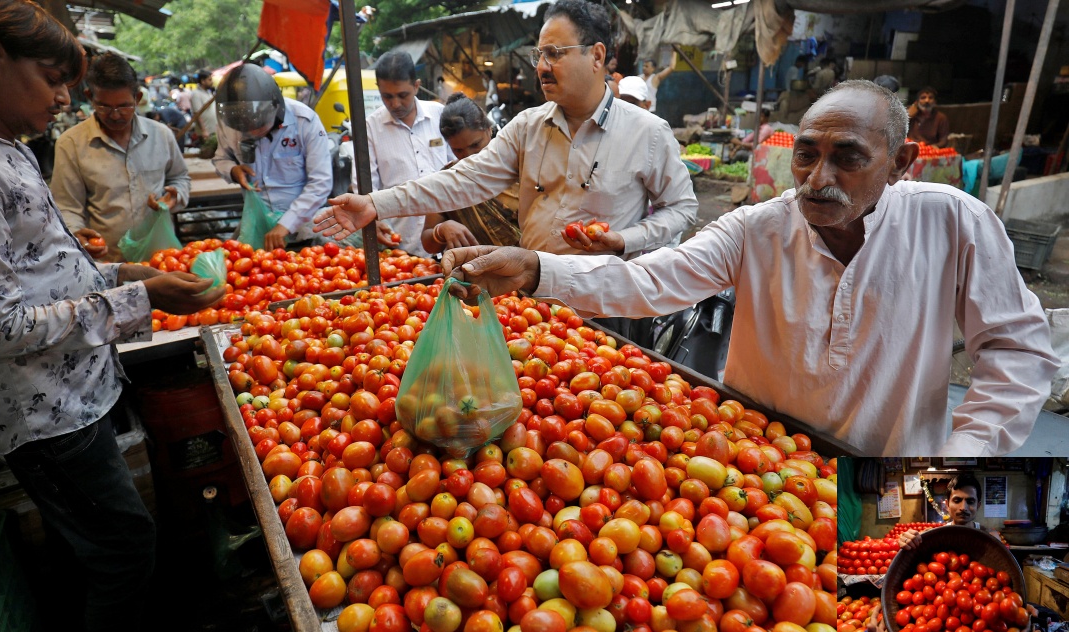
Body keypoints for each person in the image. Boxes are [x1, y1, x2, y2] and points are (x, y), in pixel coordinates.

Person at [429, 80, 1058, 456]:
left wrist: (963, 454)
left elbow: (1017, 350)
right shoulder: (759, 226)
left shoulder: (952, 221)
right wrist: (538, 270)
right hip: (759, 455)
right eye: (807, 156)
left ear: (902, 162)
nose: (819, 178)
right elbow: (652, 280)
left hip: (892, 469)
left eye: (849, 159)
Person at [0, 1, 224, 632]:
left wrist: (128, 270)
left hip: (64, 390)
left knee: (86, 545)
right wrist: (137, 296)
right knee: (125, 549)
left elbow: (40, 266)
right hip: (42, 406)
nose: (65, 98)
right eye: (53, 77)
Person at [317, 0, 697, 259]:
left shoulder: (648, 133)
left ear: (596, 56)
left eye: (555, 54)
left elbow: (681, 208)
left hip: (608, 303)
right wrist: (374, 204)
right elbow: (462, 180)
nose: (542, 67)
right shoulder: (528, 127)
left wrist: (625, 240)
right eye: (539, 55)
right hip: (533, 303)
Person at [51, 53, 190, 261]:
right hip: (108, 267)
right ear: (90, 97)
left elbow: (180, 178)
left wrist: (174, 196)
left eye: (124, 106)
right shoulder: (70, 144)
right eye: (105, 106)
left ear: (138, 98)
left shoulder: (161, 135)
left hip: (162, 261)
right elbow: (67, 207)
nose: (115, 115)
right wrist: (79, 236)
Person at [212, 63, 332, 250]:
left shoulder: (304, 122)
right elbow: (221, 159)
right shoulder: (229, 124)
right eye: (246, 130)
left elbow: (321, 183)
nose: (252, 133)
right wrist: (233, 171)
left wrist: (286, 225)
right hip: (255, 223)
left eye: (258, 127)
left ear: (276, 108)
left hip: (303, 227)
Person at [352, 50, 454, 255]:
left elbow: (459, 168)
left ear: (416, 86)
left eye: (402, 95)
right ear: (378, 90)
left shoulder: (440, 115)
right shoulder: (370, 128)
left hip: (448, 240)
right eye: (387, 97)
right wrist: (372, 219)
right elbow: (363, 186)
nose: (395, 104)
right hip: (400, 246)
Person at [420, 93, 521, 253]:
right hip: (480, 273)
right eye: (458, 150)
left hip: (536, 268)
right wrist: (442, 229)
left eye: (475, 145)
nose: (469, 156)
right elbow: (428, 243)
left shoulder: (519, 166)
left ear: (489, 130)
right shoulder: (449, 181)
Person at [897, 473, 990, 550]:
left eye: (970, 501)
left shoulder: (989, 537)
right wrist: (908, 540)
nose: (963, 507)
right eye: (957, 501)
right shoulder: (934, 536)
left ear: (978, 506)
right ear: (947, 505)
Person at [188, 69, 217, 140]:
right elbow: (197, 114)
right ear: (203, 81)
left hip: (214, 129)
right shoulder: (196, 94)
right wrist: (204, 130)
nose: (212, 82)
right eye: (209, 80)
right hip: (206, 133)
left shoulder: (209, 92)